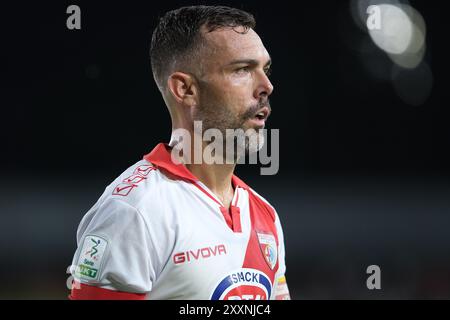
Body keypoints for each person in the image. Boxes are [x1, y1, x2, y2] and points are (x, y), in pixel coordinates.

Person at [69, 5, 290, 300]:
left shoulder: (265, 215)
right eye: (242, 70)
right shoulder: (134, 213)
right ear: (185, 90)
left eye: (265, 69)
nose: (267, 86)